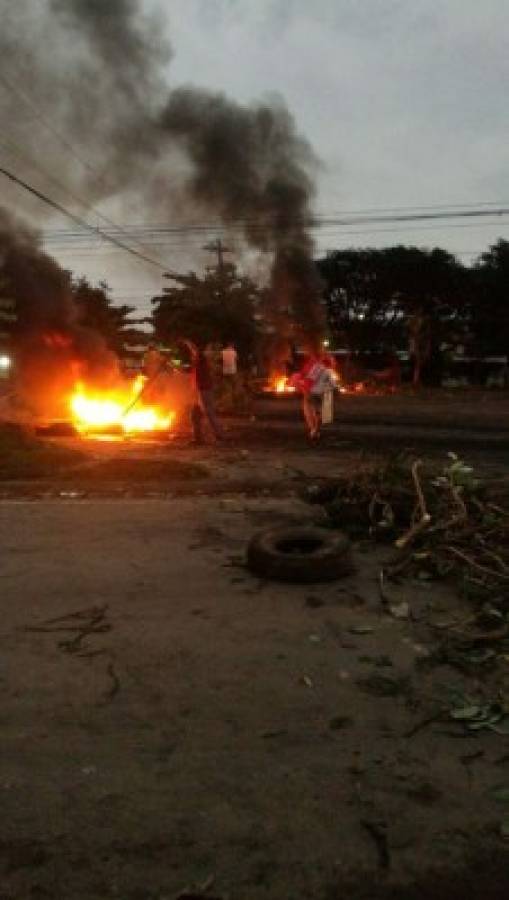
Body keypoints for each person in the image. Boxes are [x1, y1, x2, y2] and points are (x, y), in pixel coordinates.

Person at [181, 340, 224, 444]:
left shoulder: (201, 358)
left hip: (204, 389)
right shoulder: (199, 361)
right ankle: (198, 438)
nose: (192, 355)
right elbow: (190, 372)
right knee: (195, 414)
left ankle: (219, 435)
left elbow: (195, 350)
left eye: (193, 354)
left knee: (208, 412)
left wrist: (186, 342)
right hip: (201, 389)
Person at [291, 353, 336, 440]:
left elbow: (308, 380)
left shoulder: (315, 366)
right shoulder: (329, 371)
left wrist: (301, 386)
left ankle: (313, 429)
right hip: (323, 393)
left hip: (312, 392)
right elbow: (333, 384)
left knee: (309, 409)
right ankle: (316, 429)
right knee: (319, 412)